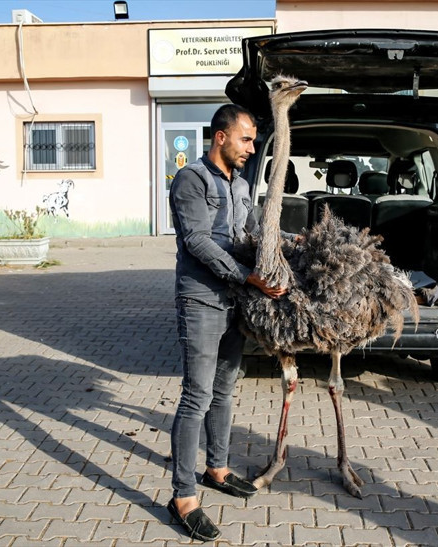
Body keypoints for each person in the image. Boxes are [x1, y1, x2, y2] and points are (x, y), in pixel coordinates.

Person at [167, 104, 286, 542]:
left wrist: (292, 241)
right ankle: (182, 496)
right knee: (196, 396)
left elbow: (253, 227)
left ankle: (216, 468)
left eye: (253, 140)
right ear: (220, 136)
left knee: (224, 390)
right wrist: (245, 276)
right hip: (201, 299)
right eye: (246, 139)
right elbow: (196, 240)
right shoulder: (190, 180)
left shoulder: (238, 185)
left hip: (235, 301)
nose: (252, 149)